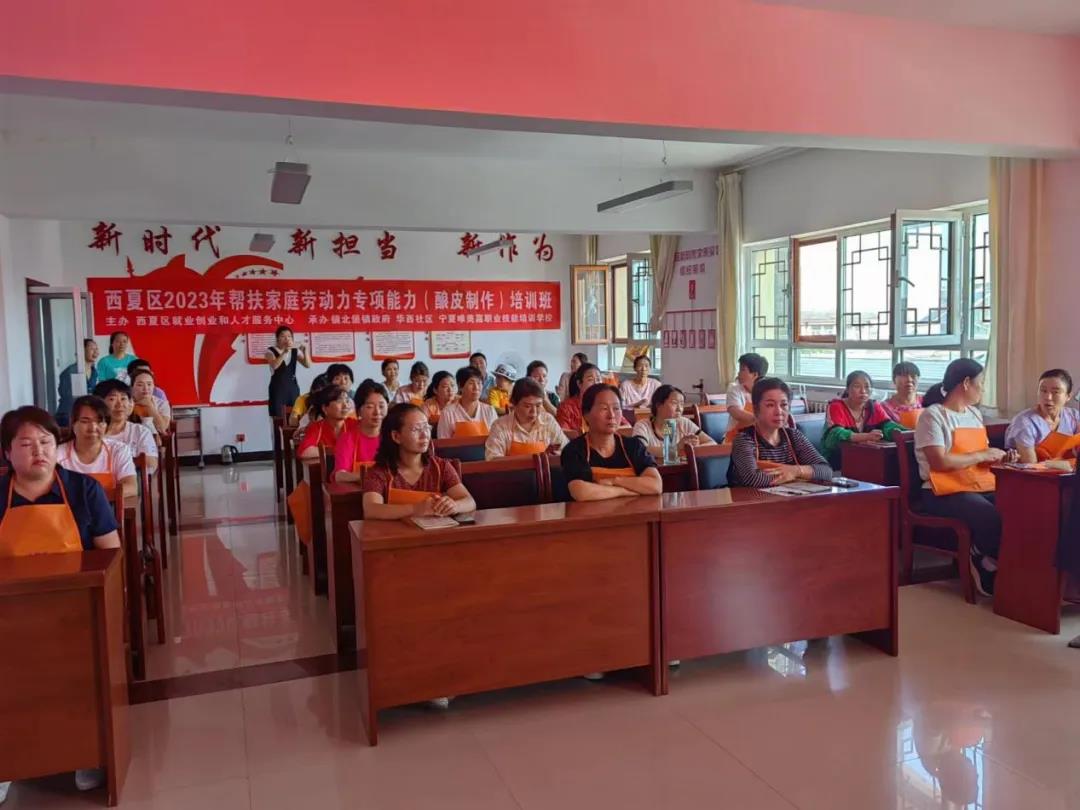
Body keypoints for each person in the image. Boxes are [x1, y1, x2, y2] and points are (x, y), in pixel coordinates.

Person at [0, 406, 121, 802]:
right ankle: (7, 759)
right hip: (8, 615)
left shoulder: (84, 491)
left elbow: (111, 555)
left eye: (46, 442)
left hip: (74, 614)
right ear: (7, 453)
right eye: (26, 444)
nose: (38, 451)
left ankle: (88, 752)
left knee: (82, 669)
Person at [914, 358, 1016, 597]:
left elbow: (979, 458)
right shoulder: (933, 416)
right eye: (981, 382)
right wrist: (982, 454)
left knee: (1016, 507)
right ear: (966, 383)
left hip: (977, 483)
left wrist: (999, 458)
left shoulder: (974, 414)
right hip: (942, 490)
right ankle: (982, 558)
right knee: (989, 516)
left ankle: (1006, 563)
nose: (983, 389)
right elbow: (939, 462)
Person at [361, 403, 476, 520]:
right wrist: (415, 509)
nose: (424, 435)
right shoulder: (379, 472)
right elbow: (371, 510)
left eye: (426, 427)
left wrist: (454, 506)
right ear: (396, 436)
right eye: (416, 429)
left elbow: (469, 501)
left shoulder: (441, 467)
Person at [560, 384, 662, 501]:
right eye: (604, 408)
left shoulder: (633, 446)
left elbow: (656, 485)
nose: (612, 415)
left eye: (616, 408)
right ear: (586, 415)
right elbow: (581, 492)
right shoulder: (574, 450)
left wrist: (615, 481)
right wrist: (625, 491)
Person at [729, 378, 834, 488]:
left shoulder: (794, 436)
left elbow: (826, 471)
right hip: (751, 498)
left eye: (783, 405)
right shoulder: (744, 440)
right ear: (756, 410)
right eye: (770, 405)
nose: (778, 411)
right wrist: (792, 475)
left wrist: (795, 471)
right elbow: (752, 479)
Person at [57, 396, 137, 499]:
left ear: (107, 425)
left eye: (99, 422)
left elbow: (131, 487)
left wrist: (94, 499)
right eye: (85, 421)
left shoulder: (118, 450)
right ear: (73, 424)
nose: (93, 428)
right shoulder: (58, 453)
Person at [822, 370, 904, 468]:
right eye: (857, 386)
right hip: (837, 461)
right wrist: (865, 436)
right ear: (847, 389)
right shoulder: (836, 406)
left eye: (867, 387)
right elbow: (834, 437)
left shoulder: (874, 406)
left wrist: (909, 433)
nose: (863, 391)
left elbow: (889, 426)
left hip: (866, 458)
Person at [1004, 369, 1080, 463]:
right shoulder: (1024, 422)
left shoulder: (1074, 416)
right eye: (1043, 391)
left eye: (1055, 392)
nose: (1048, 397)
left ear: (1068, 396)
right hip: (1035, 471)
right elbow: (1030, 466)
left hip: (1068, 470)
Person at [485, 377, 569, 459]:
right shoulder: (500, 426)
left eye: (538, 405)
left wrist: (557, 455)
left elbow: (566, 449)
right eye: (527, 406)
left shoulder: (548, 421)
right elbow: (492, 459)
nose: (534, 412)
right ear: (514, 404)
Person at [95, 379, 158, 474]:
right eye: (112, 399)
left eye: (123, 399)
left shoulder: (140, 431)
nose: (119, 404)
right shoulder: (92, 431)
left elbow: (151, 463)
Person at [633, 384, 715, 457]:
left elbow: (712, 443)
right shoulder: (642, 425)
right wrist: (677, 448)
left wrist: (693, 448)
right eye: (674, 403)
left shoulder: (683, 422)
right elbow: (641, 450)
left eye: (682, 404)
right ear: (658, 405)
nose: (679, 409)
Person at [333, 380, 390, 482]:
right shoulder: (348, 438)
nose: (377, 412)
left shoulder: (393, 436)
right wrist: (368, 476)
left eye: (381, 406)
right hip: (357, 490)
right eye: (370, 407)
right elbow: (339, 475)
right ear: (359, 410)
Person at [555, 363, 630, 433]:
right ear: (579, 384)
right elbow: (562, 432)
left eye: (598, 379)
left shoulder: (608, 403)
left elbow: (627, 427)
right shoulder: (567, 407)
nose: (596, 383)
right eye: (590, 379)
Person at [437, 366, 499, 438]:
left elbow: (496, 439)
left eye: (479, 383)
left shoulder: (489, 411)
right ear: (460, 386)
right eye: (471, 383)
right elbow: (443, 441)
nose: (476, 387)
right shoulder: (448, 413)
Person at [297, 385, 355, 459]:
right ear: (324, 408)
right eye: (339, 401)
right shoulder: (317, 427)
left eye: (347, 400)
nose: (346, 405)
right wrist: (339, 450)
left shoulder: (355, 425)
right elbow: (303, 452)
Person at [266, 325, 310, 418]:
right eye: (283, 336)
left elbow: (307, 365)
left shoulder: (295, 351)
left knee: (295, 415)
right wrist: (285, 352)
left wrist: (305, 351)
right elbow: (275, 366)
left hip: (292, 388)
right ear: (277, 338)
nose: (286, 339)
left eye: (289, 336)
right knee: (278, 417)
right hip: (278, 389)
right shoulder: (270, 351)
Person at [725, 353, 769, 443]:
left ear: (755, 374)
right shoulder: (734, 388)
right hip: (735, 439)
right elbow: (736, 413)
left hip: (759, 439)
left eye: (742, 370)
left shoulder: (767, 391)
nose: (738, 373)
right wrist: (762, 421)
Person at [56, 339, 100, 426]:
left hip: (84, 414)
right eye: (92, 349)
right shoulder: (71, 371)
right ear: (81, 351)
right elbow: (66, 395)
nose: (95, 352)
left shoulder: (94, 371)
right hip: (68, 414)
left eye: (96, 349)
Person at [880, 361, 924, 427]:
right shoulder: (884, 408)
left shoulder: (927, 403)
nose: (909, 379)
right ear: (894, 380)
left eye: (913, 376)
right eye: (904, 376)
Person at [131, 367, 172, 434]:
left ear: (153, 386)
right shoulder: (126, 403)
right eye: (140, 385)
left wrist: (149, 405)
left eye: (149, 384)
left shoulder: (162, 404)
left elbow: (162, 428)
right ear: (132, 387)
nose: (146, 388)